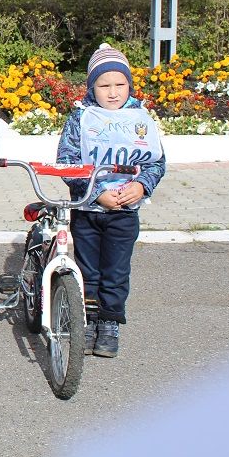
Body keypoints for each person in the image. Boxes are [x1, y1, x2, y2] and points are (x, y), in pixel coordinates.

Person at [57, 43, 166, 357]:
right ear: (92, 87)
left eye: (120, 84)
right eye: (104, 85)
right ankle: (88, 321)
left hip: (125, 211)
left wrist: (141, 187)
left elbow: (156, 162)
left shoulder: (141, 120)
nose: (113, 92)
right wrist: (96, 193)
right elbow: (68, 162)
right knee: (88, 271)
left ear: (129, 85)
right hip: (89, 210)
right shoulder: (80, 119)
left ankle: (110, 323)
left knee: (116, 272)